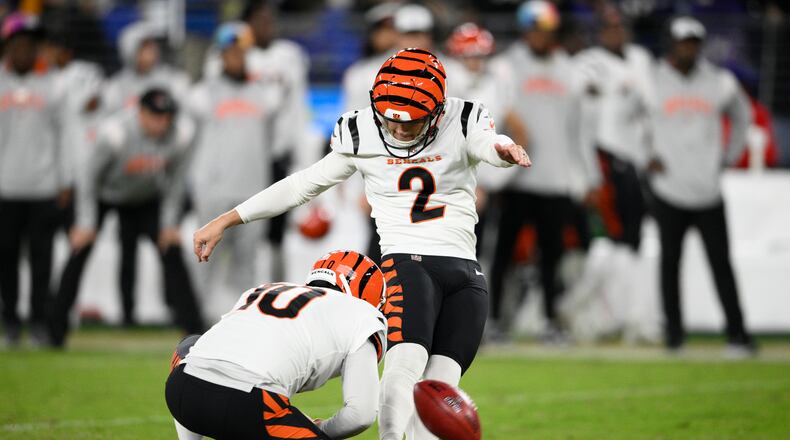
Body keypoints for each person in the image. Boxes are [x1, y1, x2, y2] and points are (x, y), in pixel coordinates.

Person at [193, 49, 530, 440]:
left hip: (466, 274)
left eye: (411, 121)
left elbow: (490, 143)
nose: (399, 130)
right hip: (408, 264)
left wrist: (502, 150)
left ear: (438, 110)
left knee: (439, 389)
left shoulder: (465, 117)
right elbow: (302, 185)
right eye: (391, 119)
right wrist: (227, 219)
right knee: (404, 368)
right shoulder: (362, 131)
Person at [166, 250, 387, 440]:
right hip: (248, 403)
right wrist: (318, 429)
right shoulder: (361, 314)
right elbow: (361, 415)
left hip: (181, 390)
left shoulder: (263, 289)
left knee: (191, 347)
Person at [49, 88, 203, 346]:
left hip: (146, 196)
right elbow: (87, 178)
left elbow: (176, 184)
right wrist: (86, 222)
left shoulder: (180, 137)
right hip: (104, 195)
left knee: (172, 250)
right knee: (79, 250)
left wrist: (169, 223)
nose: (161, 122)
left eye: (166, 117)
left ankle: (195, 334)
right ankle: (54, 330)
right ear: (140, 112)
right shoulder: (114, 134)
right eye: (155, 116)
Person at [488, 0, 598, 342]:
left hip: (556, 179)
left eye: (547, 30)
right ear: (525, 30)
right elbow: (491, 117)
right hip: (514, 178)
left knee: (552, 257)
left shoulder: (570, 70)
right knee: (503, 254)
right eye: (536, 29)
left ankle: (551, 322)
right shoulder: (505, 67)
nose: (541, 36)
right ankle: (494, 321)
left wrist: (587, 176)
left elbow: (580, 131)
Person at [646, 17, 755, 355]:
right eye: (683, 42)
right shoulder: (651, 80)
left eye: (693, 42)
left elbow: (744, 116)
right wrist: (643, 155)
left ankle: (738, 335)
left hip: (708, 189)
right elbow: (621, 117)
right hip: (668, 188)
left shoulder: (720, 81)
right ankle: (674, 337)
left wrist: (729, 155)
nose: (688, 48)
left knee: (721, 264)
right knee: (670, 265)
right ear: (672, 43)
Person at [574, 6, 657, 342]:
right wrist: (588, 174)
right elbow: (584, 110)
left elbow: (652, 107)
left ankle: (626, 317)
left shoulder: (640, 59)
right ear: (600, 32)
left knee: (630, 245)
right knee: (605, 245)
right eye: (609, 27)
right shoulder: (589, 62)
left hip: (633, 163)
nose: (615, 32)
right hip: (601, 160)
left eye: (620, 27)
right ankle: (593, 317)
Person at [187, 22, 283, 311]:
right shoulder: (203, 94)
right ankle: (197, 320)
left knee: (247, 260)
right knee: (206, 257)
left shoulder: (265, 94)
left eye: (242, 52)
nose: (237, 58)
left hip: (252, 189)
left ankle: (244, 318)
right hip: (213, 189)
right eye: (231, 53)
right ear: (220, 56)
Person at [0, 14, 67, 347]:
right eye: (20, 43)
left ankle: (39, 323)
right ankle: (10, 323)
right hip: (5, 188)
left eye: (31, 44)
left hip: (43, 188)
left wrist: (65, 180)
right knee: (6, 261)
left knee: (42, 262)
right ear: (8, 46)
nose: (26, 49)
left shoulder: (54, 85)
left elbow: (65, 137)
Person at [103, 20, 190, 114]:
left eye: (153, 45)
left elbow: (183, 115)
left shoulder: (174, 80)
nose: (153, 50)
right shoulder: (116, 87)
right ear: (131, 51)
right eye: (145, 46)